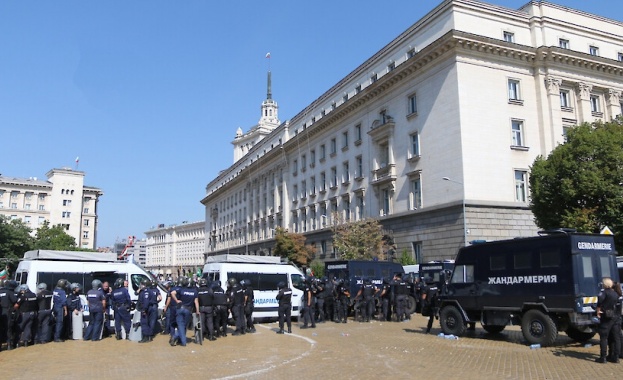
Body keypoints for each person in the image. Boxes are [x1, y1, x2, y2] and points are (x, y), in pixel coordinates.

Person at [595, 277, 620, 363]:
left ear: (604, 284)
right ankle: (615, 357)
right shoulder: (615, 293)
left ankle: (603, 357)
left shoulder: (604, 293)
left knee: (604, 337)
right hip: (615, 316)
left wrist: (598, 310)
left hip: (606, 317)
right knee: (615, 338)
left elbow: (599, 301)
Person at [170, 277, 199, 346]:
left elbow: (172, 293)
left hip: (180, 308)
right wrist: (197, 311)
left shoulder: (181, 289)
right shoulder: (194, 291)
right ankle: (181, 341)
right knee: (184, 326)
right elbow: (196, 302)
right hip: (188, 310)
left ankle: (178, 339)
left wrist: (176, 300)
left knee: (180, 325)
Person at [1, 279, 19, 351]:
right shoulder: (9, 292)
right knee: (8, 328)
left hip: (1, 311)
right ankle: (9, 345)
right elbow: (15, 302)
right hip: (7, 311)